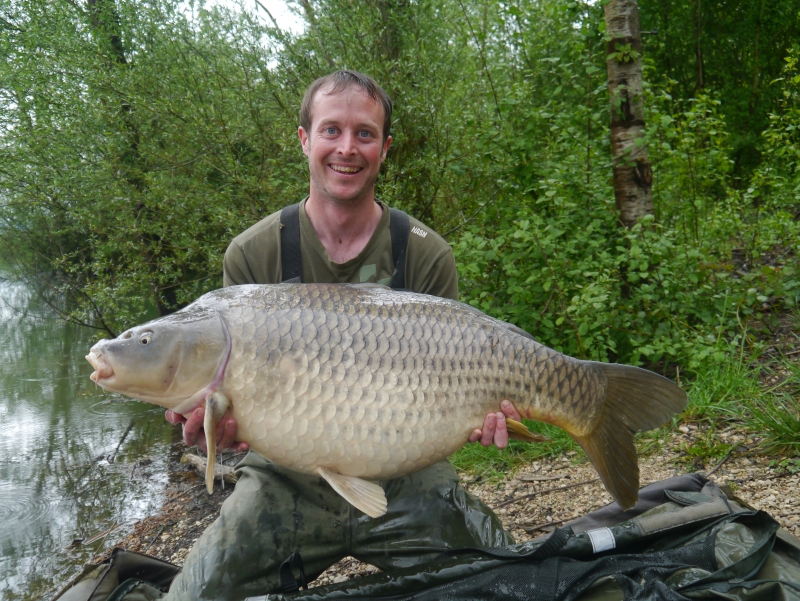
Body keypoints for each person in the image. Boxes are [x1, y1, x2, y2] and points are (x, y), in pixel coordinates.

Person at [163, 70, 522, 601]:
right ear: (305, 139)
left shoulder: (424, 253)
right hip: (283, 480)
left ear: (385, 147)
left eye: (365, 134)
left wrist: (482, 415)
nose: (347, 149)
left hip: (408, 479)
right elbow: (226, 400)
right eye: (331, 131)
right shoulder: (253, 253)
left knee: (511, 582)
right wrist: (212, 428)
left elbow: (461, 384)